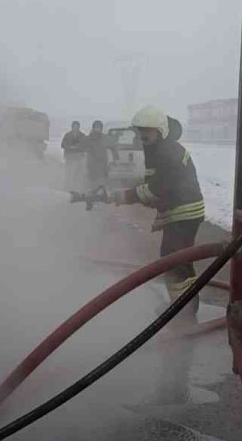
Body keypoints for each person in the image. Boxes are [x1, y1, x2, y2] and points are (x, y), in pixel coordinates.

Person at [109, 106, 206, 318]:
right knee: (178, 260)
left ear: (159, 130)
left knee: (174, 261)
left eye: (147, 130)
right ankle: (184, 306)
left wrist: (126, 196)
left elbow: (156, 190)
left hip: (185, 211)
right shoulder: (155, 150)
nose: (142, 135)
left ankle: (184, 313)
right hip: (180, 211)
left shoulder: (167, 152)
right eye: (138, 130)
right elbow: (148, 180)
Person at [82, 120, 110, 193]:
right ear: (93, 128)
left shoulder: (104, 137)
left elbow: (111, 146)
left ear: (101, 128)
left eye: (99, 127)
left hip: (103, 162)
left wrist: (115, 158)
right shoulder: (89, 137)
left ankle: (102, 194)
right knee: (92, 180)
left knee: (103, 180)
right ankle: (92, 194)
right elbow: (84, 146)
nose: (98, 129)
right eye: (96, 127)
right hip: (92, 163)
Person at [60, 121, 86, 192]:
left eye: (77, 126)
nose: (75, 128)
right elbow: (62, 145)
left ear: (79, 127)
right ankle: (67, 188)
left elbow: (85, 146)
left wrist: (77, 148)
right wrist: (69, 147)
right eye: (74, 126)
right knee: (68, 174)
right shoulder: (67, 135)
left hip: (79, 158)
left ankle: (77, 189)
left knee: (78, 174)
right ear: (72, 127)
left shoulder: (82, 135)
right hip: (69, 158)